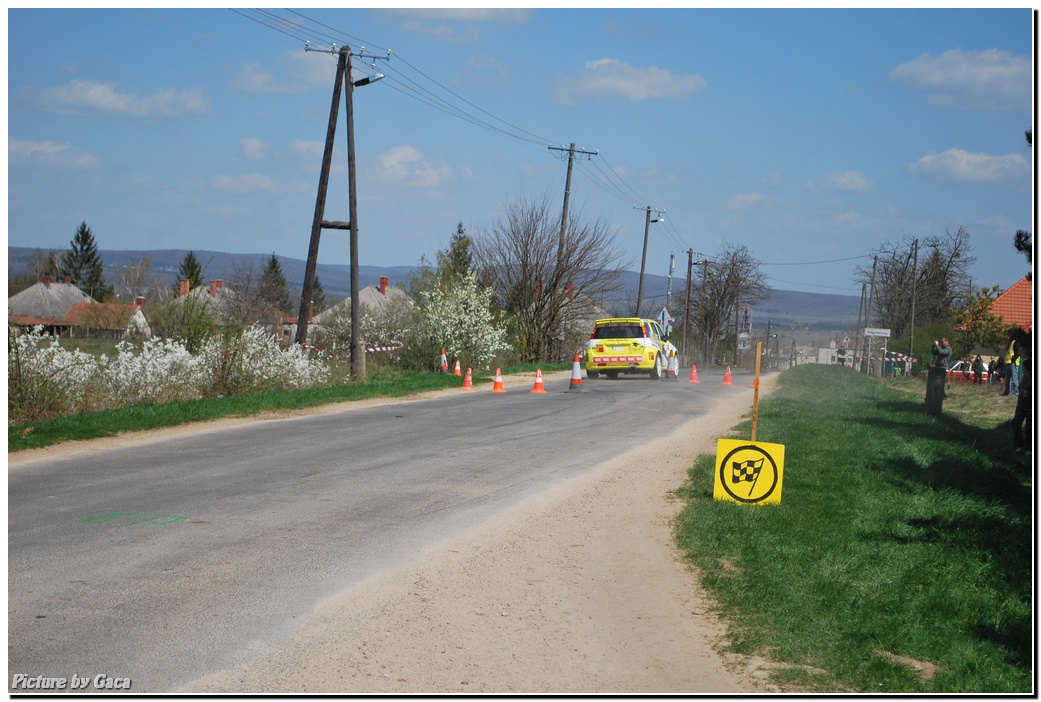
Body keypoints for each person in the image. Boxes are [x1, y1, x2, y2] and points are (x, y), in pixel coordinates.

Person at [1012, 358, 1031, 455]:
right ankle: (1019, 445)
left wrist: (1029, 393)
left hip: (1030, 407)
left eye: (1024, 367)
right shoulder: (1024, 378)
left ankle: (1029, 448)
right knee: (1016, 424)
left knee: (1029, 428)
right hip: (1021, 405)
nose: (1023, 369)